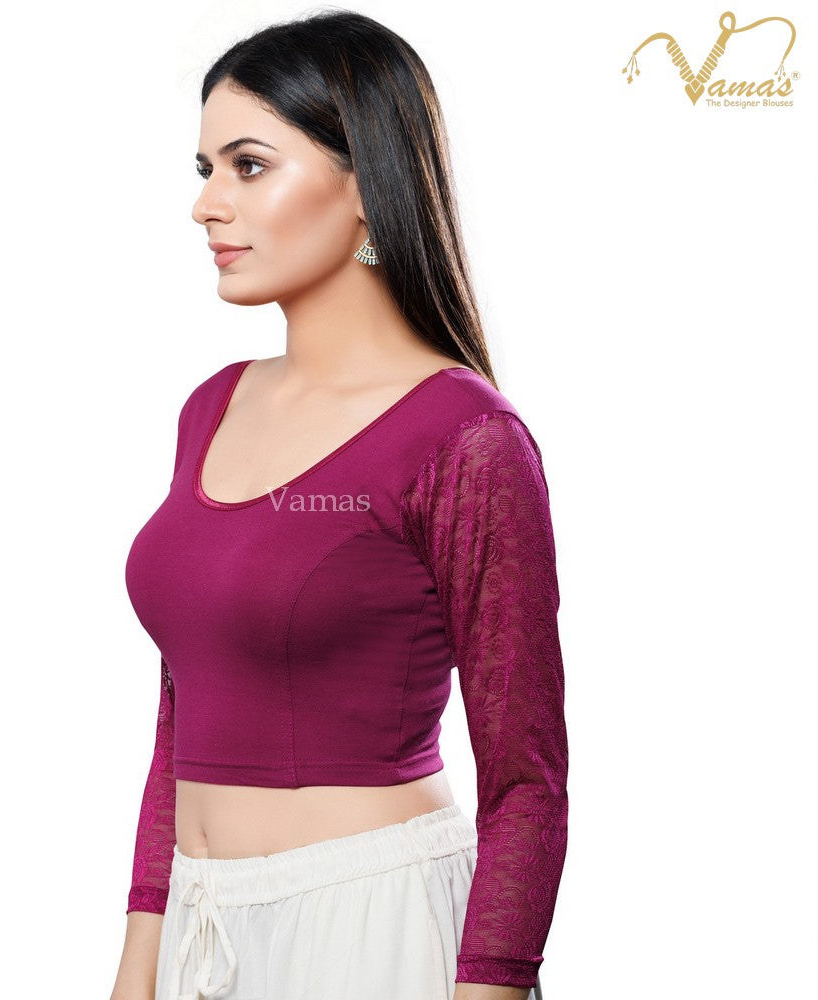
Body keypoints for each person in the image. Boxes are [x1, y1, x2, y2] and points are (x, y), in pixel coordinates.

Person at [108, 11, 568, 1000]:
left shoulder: (466, 437)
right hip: (199, 926)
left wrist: (487, 984)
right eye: (205, 170)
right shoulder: (210, 409)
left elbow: (526, 783)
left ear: (366, 182)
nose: (207, 205)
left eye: (248, 166)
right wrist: (139, 957)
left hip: (371, 927)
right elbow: (179, 715)